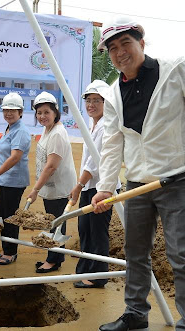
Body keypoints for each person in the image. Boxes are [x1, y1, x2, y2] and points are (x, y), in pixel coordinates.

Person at [91, 17, 185, 331]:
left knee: (182, 254)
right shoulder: (112, 94)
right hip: (136, 185)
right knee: (135, 254)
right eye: (113, 48)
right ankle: (135, 315)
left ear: (141, 43)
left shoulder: (174, 71)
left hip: (176, 179)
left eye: (126, 43)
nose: (120, 52)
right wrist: (106, 187)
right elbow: (112, 144)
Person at [69, 80, 121, 289]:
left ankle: (98, 276)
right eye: (88, 100)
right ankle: (84, 270)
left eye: (96, 100)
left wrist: (78, 185)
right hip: (90, 186)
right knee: (85, 229)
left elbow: (96, 162)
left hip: (102, 187)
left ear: (105, 102)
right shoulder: (93, 124)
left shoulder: (107, 125)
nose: (91, 104)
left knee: (98, 232)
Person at [28, 91, 77, 273]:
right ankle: (55, 257)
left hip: (59, 188)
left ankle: (54, 261)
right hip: (51, 188)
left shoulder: (57, 133)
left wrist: (34, 190)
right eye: (39, 113)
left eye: (46, 112)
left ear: (55, 112)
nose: (42, 116)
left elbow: (51, 167)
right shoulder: (47, 129)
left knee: (56, 224)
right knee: (54, 223)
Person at [0, 93, 31, 265]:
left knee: (11, 218)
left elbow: (15, 157)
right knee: (4, 216)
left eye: (12, 110)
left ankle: (11, 252)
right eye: (5, 110)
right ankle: (6, 249)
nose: (8, 114)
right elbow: (8, 151)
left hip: (14, 181)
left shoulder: (20, 131)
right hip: (4, 180)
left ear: (20, 112)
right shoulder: (10, 128)